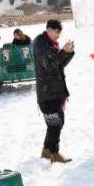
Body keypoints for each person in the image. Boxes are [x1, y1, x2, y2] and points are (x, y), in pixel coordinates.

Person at [33, 19, 75, 163]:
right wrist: (63, 51)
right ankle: (53, 152)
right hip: (47, 92)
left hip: (54, 91)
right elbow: (50, 66)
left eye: (60, 33)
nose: (58, 36)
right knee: (56, 122)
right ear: (49, 30)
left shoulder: (50, 44)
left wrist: (68, 53)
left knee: (54, 123)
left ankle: (47, 151)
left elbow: (59, 64)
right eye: (57, 32)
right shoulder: (40, 44)